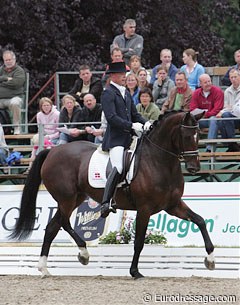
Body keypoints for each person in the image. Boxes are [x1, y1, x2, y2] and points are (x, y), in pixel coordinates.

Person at [100, 62, 147, 218]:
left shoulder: (126, 92)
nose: (124, 78)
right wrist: (131, 125)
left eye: (124, 75)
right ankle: (106, 203)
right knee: (119, 167)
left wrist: (145, 122)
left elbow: (134, 114)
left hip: (129, 137)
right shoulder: (108, 93)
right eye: (121, 75)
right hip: (116, 139)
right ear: (113, 75)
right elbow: (112, 118)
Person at [190, 74, 224, 152]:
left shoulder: (218, 91)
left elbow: (217, 109)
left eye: (209, 81)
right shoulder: (196, 93)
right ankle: (190, 149)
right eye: (205, 82)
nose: (208, 84)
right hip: (200, 120)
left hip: (213, 119)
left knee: (213, 120)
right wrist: (203, 115)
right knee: (189, 121)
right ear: (200, 84)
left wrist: (205, 114)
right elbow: (193, 109)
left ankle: (210, 149)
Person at [26, 97, 60, 173]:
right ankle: (31, 167)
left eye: (48, 105)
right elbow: (40, 128)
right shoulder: (39, 115)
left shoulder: (57, 114)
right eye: (44, 106)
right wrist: (43, 137)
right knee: (36, 146)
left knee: (44, 149)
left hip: (54, 136)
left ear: (51, 105)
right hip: (43, 136)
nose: (46, 107)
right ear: (41, 107)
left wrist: (49, 137)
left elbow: (59, 130)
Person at [0, 50, 26, 135]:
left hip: (14, 97)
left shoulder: (19, 70)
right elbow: (10, 82)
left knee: (15, 103)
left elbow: (16, 83)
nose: (8, 61)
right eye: (6, 60)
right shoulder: (1, 69)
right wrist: (6, 78)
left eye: (10, 59)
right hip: (1, 100)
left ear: (14, 59)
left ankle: (16, 127)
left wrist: (1, 83)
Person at [217, 69, 240, 151]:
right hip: (232, 117)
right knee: (221, 120)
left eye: (235, 77)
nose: (233, 79)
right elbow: (227, 107)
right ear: (229, 79)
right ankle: (231, 144)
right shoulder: (227, 91)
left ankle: (231, 145)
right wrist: (223, 111)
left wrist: (223, 111)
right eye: (232, 77)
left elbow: (235, 107)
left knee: (225, 116)